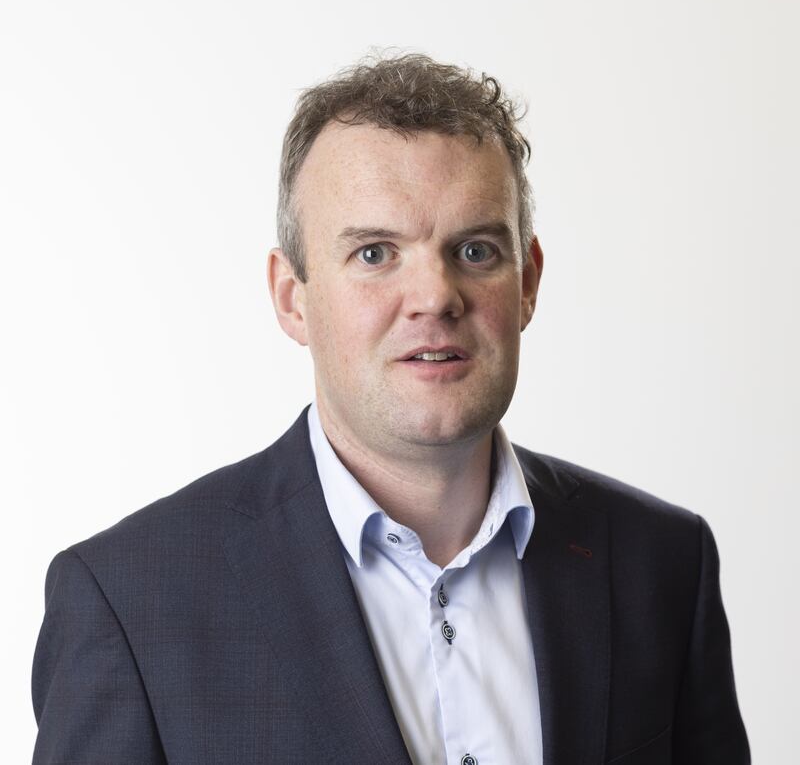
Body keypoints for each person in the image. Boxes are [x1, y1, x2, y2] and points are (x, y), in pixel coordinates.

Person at [31, 52, 750, 764]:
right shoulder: (129, 603)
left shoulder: (663, 562)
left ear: (528, 283)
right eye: (375, 254)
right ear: (292, 298)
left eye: (475, 250)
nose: (435, 296)